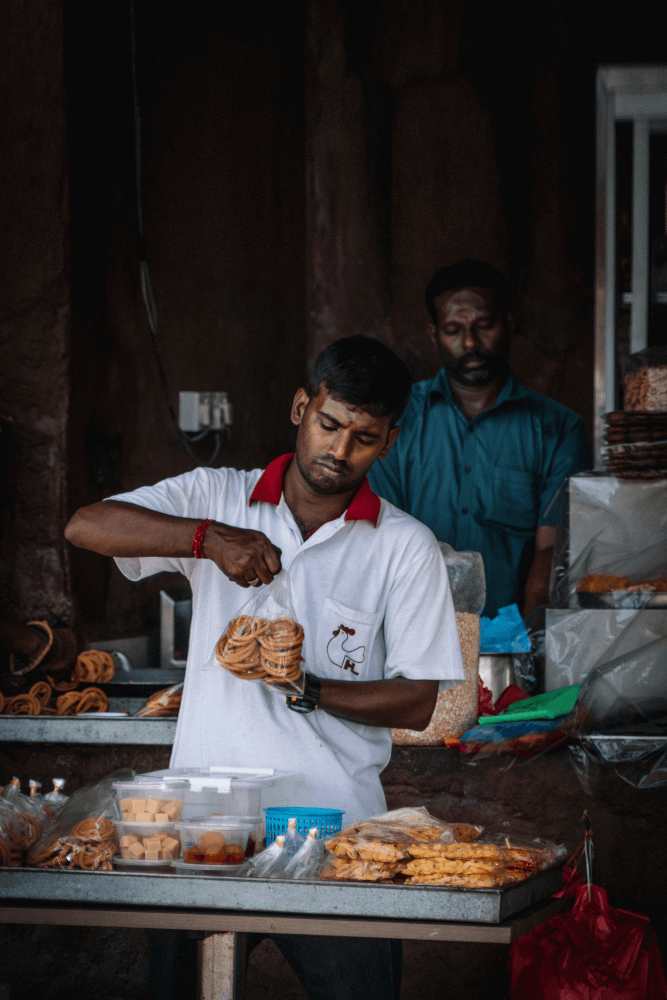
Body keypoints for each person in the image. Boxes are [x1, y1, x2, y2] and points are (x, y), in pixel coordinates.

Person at [65, 334, 465, 1000]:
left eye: (362, 438)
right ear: (300, 407)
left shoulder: (404, 547)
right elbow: (86, 525)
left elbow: (416, 701)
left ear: (388, 443)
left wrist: (307, 687)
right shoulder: (216, 496)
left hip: (334, 837)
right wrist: (204, 539)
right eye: (328, 424)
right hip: (200, 828)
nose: (337, 451)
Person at [368, 260, 592, 619]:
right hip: (409, 632)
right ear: (433, 333)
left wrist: (530, 650)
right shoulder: (398, 420)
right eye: (453, 329)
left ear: (510, 323)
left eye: (483, 325)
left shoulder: (557, 429)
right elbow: (378, 536)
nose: (470, 342)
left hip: (511, 641)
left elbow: (551, 552)